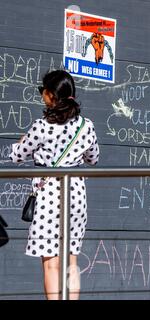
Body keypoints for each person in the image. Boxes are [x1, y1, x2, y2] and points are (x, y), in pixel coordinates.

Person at [9, 70, 99, 300]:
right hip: (76, 195)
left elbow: (17, 156)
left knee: (51, 264)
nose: (42, 96)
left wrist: (22, 142)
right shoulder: (85, 126)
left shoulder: (42, 126)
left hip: (49, 197)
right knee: (71, 261)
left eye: (43, 91)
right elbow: (93, 159)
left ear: (51, 96)